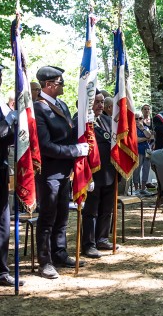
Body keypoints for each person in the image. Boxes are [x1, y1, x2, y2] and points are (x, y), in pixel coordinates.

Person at [34, 66, 89, 279]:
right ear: (48, 85)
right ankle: (45, 262)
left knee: (63, 216)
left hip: (65, 171)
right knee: (48, 218)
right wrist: (75, 150)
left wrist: (85, 122)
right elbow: (45, 145)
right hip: (49, 172)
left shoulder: (62, 105)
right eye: (60, 82)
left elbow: (69, 133)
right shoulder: (39, 109)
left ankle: (59, 252)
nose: (63, 86)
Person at [81, 91, 117, 258]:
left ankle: (102, 238)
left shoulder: (107, 121)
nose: (100, 105)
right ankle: (89, 244)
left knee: (106, 209)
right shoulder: (82, 122)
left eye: (102, 101)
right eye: (96, 102)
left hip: (109, 172)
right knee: (91, 211)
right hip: (91, 174)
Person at [0, 63, 24, 287]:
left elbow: (4, 138)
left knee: (3, 223)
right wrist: (7, 121)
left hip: (1, 169)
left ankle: (2, 271)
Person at [133, 111, 153, 196]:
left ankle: (143, 188)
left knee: (146, 169)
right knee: (137, 170)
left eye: (140, 118)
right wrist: (146, 138)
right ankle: (137, 189)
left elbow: (150, 136)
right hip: (138, 150)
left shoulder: (145, 127)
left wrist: (143, 129)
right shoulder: (132, 128)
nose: (138, 120)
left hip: (147, 151)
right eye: (136, 118)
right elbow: (136, 140)